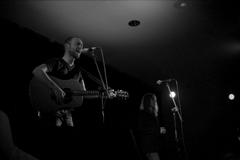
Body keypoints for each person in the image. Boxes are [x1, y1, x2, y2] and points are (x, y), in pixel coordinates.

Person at [31, 36, 88, 127]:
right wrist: (55, 88)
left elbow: (84, 93)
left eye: (82, 45)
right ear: (67, 46)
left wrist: (103, 94)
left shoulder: (78, 72)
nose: (81, 47)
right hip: (51, 112)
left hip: (68, 116)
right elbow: (37, 71)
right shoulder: (56, 62)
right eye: (78, 44)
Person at [137, 93, 166, 160]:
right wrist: (159, 130)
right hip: (149, 147)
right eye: (154, 100)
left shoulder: (152, 114)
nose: (155, 102)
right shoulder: (143, 114)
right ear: (149, 101)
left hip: (154, 146)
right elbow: (142, 129)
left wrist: (159, 130)